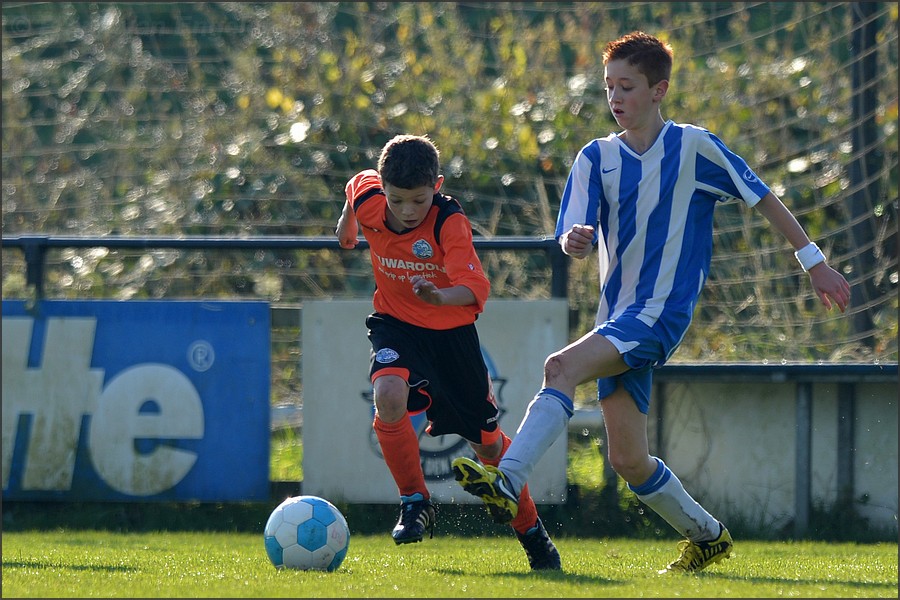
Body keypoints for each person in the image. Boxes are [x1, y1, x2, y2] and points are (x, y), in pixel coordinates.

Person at [452, 31, 852, 574]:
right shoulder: (596, 156)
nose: (616, 98)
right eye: (609, 86)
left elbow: (762, 198)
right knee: (628, 460)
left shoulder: (694, 147)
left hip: (660, 312)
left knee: (560, 367)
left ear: (658, 90)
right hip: (617, 316)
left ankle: (509, 479)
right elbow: (574, 226)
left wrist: (815, 262)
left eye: (628, 86)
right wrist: (573, 238)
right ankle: (708, 537)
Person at [335, 133, 561, 571]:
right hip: (396, 326)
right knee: (388, 398)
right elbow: (354, 185)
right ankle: (415, 501)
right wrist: (347, 227)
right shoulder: (369, 199)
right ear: (382, 188)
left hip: (451, 339)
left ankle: (532, 532)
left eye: (418, 200)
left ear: (436, 186)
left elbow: (476, 289)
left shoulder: (447, 220)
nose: (406, 212)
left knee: (490, 448)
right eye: (396, 200)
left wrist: (439, 297)